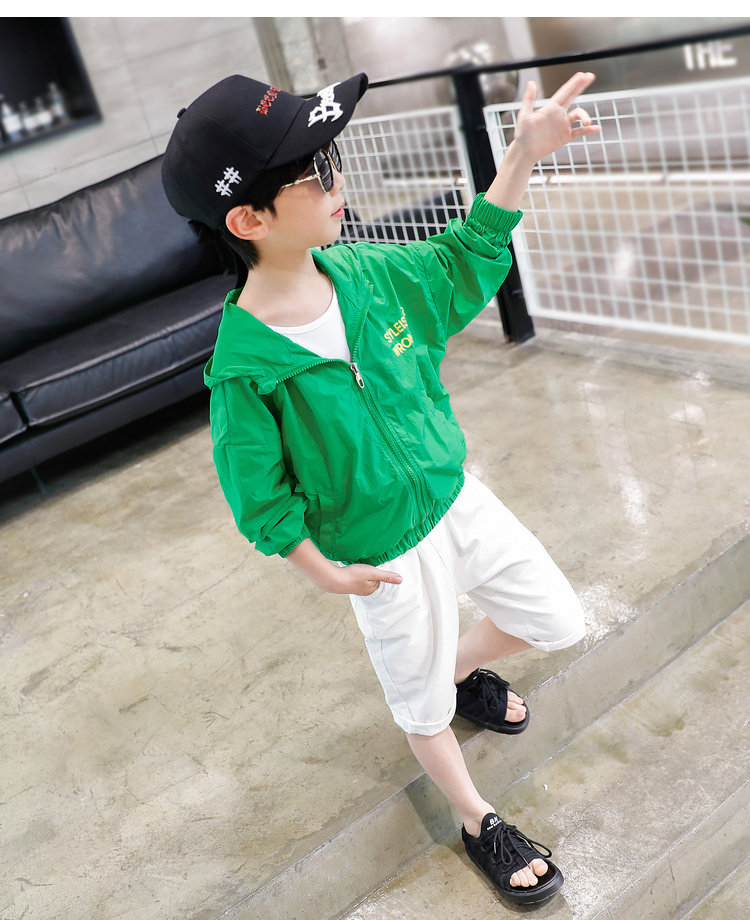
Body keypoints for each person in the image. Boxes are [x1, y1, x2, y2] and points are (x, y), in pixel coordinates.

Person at [161, 69, 599, 907]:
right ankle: (477, 818)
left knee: (556, 619)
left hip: (455, 498)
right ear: (248, 220)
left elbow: (461, 260)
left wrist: (521, 155)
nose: (338, 180)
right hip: (383, 557)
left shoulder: (366, 272)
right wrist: (325, 572)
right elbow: (258, 494)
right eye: (314, 172)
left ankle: (455, 669)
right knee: (421, 712)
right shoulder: (245, 370)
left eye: (333, 158)